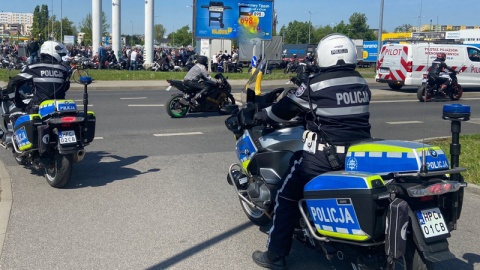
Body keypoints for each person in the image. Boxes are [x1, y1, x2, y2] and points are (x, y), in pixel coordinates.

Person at [251, 34, 372, 269]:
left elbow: (283, 110)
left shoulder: (316, 84)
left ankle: (275, 255)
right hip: (358, 156)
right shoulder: (361, 82)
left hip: (324, 159)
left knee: (285, 196)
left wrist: (261, 115)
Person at [3, 41, 70, 146]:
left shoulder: (33, 67)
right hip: (59, 108)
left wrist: (12, 98)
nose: (61, 58)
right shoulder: (64, 69)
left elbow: (14, 82)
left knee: (14, 112)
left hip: (38, 106)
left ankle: (17, 142)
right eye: (60, 55)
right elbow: (66, 86)